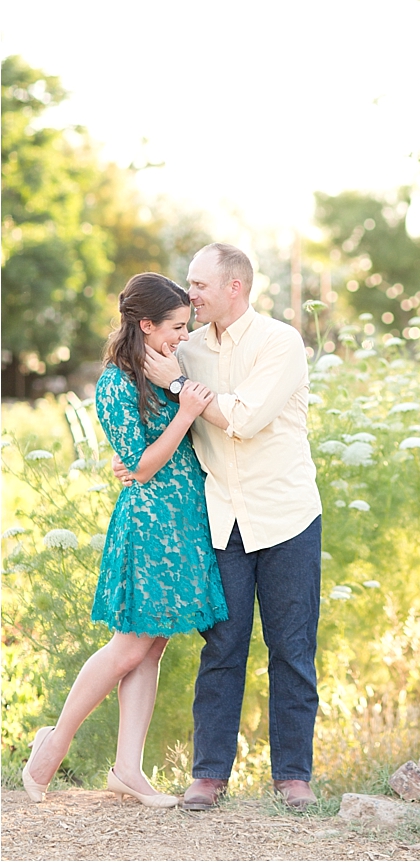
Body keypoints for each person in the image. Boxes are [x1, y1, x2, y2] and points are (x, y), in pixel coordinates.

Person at [118, 243, 322, 810]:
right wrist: (129, 461)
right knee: (222, 649)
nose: (191, 295)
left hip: (287, 518)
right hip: (222, 520)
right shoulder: (186, 348)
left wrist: (182, 386)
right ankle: (208, 775)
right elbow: (164, 423)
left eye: (199, 285)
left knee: (291, 649)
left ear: (235, 287)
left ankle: (293, 776)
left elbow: (246, 418)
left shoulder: (279, 342)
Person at [22, 273, 226, 808]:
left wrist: (179, 396)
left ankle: (127, 769)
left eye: (188, 325)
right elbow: (140, 465)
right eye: (176, 327)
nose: (184, 335)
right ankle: (54, 742)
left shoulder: (168, 371)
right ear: (146, 324)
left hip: (186, 521)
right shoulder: (116, 381)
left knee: (152, 645)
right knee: (129, 644)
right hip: (150, 523)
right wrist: (185, 412)